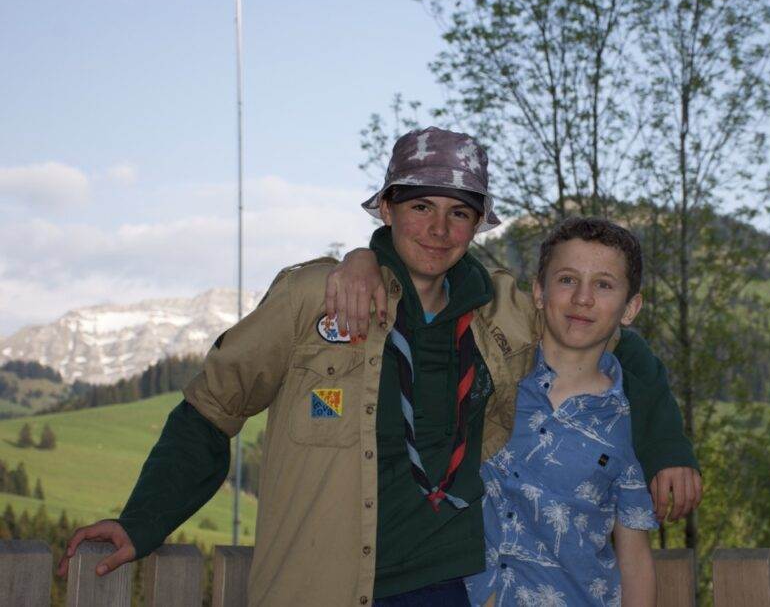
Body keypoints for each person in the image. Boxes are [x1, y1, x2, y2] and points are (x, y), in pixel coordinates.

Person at [58, 127, 700, 606]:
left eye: (459, 213)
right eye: (421, 206)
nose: (439, 229)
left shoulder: (502, 309)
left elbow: (614, 339)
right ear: (386, 209)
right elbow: (211, 408)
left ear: (477, 225)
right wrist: (143, 519)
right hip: (323, 584)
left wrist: (668, 447)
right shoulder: (314, 298)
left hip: (450, 585)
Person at [465, 216, 659, 606]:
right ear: (539, 292)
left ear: (630, 308)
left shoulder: (628, 423)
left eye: (603, 285)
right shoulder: (489, 380)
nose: (582, 298)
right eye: (567, 279)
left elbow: (635, 559)